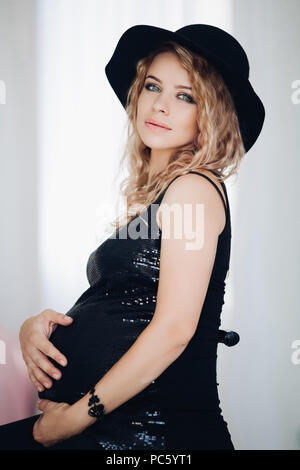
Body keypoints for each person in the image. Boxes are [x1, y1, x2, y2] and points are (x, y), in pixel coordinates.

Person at [0, 24, 265, 450]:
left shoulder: (194, 187)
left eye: (185, 95)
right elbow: (122, 306)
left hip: (155, 437)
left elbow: (174, 330)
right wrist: (40, 327)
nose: (160, 105)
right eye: (152, 86)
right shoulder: (162, 197)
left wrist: (72, 420)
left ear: (210, 114)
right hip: (114, 430)